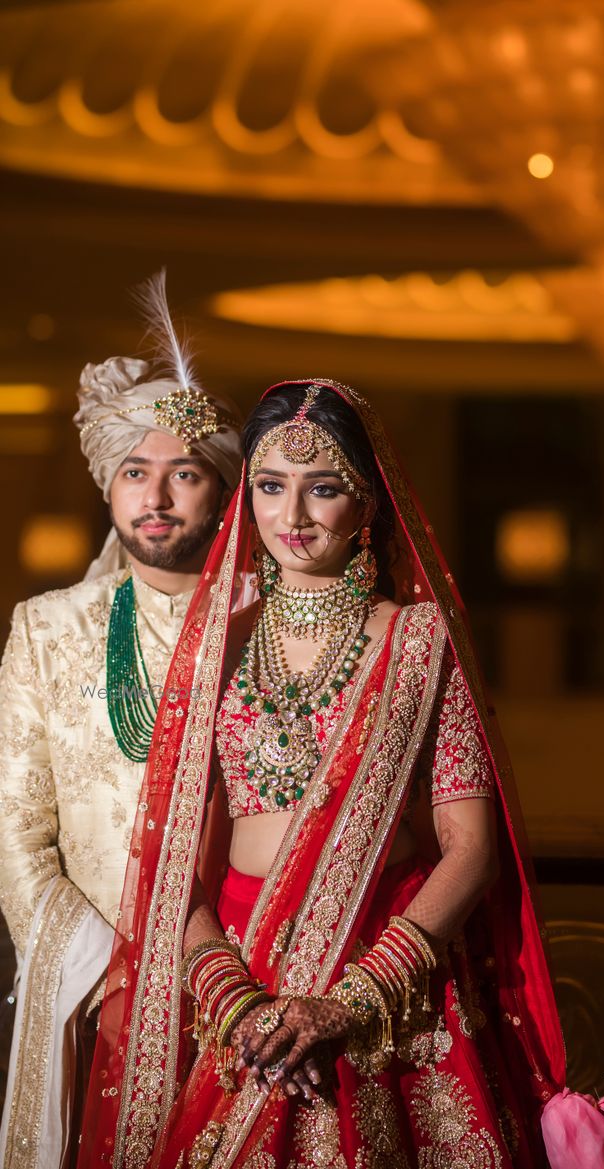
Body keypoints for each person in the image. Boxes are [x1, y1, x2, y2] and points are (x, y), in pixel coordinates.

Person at [78, 380, 604, 1169]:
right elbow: (178, 866)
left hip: (388, 984)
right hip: (244, 980)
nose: (291, 517)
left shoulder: (420, 645)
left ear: (369, 502)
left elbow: (471, 849)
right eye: (270, 487)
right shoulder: (212, 646)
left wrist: (350, 1001)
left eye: (322, 488)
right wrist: (236, 1002)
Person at [0, 274, 242, 1169]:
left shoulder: (269, 623)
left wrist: (225, 981)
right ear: (108, 486)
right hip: (93, 988)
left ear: (220, 489)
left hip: (245, 984)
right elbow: (17, 834)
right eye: (135, 472)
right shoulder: (49, 628)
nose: (159, 497)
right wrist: (105, 976)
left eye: (185, 472)